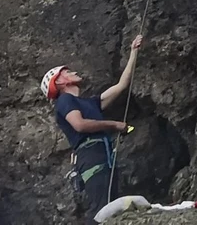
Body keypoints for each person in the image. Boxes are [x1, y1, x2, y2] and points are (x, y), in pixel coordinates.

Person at [43, 34, 143, 222]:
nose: (72, 72)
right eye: (67, 72)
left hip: (102, 154)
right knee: (101, 209)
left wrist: (133, 52)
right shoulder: (65, 100)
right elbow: (79, 125)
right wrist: (114, 125)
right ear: (59, 82)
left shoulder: (90, 103)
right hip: (91, 156)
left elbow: (122, 85)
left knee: (110, 208)